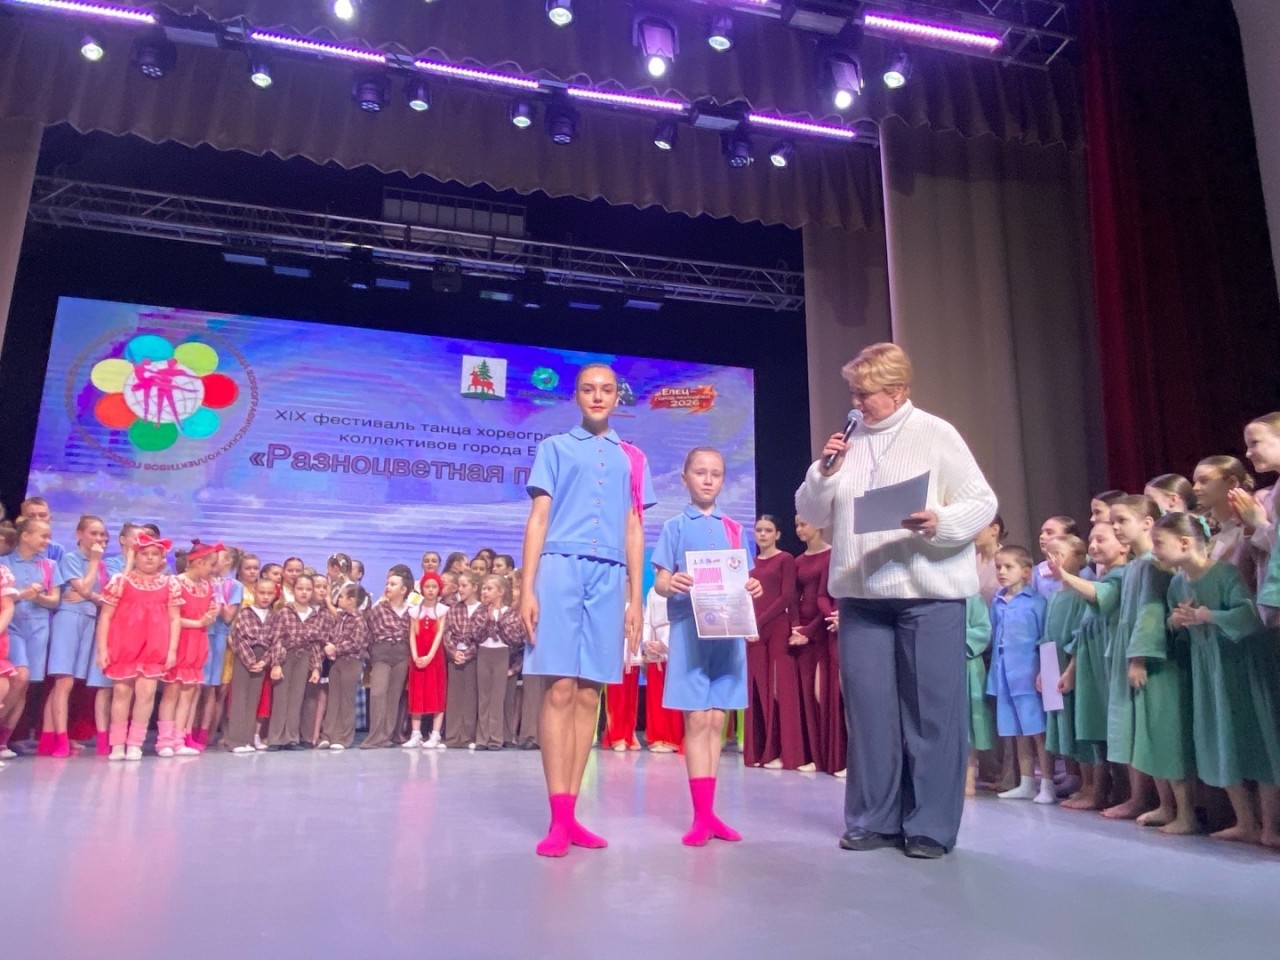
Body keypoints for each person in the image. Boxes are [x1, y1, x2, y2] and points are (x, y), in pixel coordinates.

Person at [795, 342, 997, 859]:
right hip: (862, 597)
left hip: (928, 595)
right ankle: (873, 820)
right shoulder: (848, 442)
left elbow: (982, 502)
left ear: (899, 390)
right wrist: (825, 471)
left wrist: (940, 522)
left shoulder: (936, 433)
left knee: (932, 715)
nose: (856, 403)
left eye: (865, 394)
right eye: (853, 393)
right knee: (870, 715)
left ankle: (930, 825)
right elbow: (811, 512)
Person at [520, 362, 654, 857]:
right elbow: (538, 519)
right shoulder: (554, 448)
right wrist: (526, 589)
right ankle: (557, 819)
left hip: (610, 575)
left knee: (589, 693)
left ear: (618, 397)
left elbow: (634, 527)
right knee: (559, 687)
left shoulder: (632, 457)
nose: (597, 396)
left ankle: (573, 815)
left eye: (606, 390)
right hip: (559, 569)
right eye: (588, 389)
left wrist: (635, 596)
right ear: (576, 396)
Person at [653, 447, 762, 845]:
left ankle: (712, 813)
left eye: (715, 473)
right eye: (700, 472)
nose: (708, 479)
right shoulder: (674, 527)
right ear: (685, 478)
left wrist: (753, 586)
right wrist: (672, 583)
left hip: (727, 632)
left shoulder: (734, 529)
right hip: (691, 631)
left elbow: (744, 579)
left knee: (717, 720)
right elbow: (661, 582)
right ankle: (700, 816)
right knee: (697, 720)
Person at [1154, 511, 1280, 847]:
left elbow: (1249, 615)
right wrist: (1176, 622)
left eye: (1159, 543)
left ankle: (1270, 826)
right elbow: (1175, 623)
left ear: (1184, 543)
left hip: (1240, 669)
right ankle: (1245, 821)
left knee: (1258, 741)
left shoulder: (1224, 573)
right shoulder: (1178, 583)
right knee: (1221, 741)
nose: (1155, 551)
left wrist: (1208, 615)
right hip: (1208, 671)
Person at [1104, 494, 1194, 833]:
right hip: (1140, 658)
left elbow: (1151, 613)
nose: (1115, 527)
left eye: (1122, 520)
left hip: (1159, 662)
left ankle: (1185, 812)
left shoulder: (1154, 564)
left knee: (1166, 734)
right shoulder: (1135, 565)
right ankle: (1166, 804)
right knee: (1150, 734)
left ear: (1146, 523)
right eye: (1112, 521)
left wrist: (1139, 658)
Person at [1056, 522, 1127, 811]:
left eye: (1101, 539)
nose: (1094, 545)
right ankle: (1097, 788)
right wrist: (1071, 668)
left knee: (1110, 728)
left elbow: (1102, 596)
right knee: (1093, 727)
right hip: (1089, 657)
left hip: (1106, 658)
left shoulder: (1121, 576)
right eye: (1091, 539)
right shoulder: (1103, 576)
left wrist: (1065, 575)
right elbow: (1084, 626)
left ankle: (1116, 791)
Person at [96, 532, 182, 760]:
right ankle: (117, 744)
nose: (150, 558)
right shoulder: (121, 581)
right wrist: (102, 649)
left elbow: (174, 619)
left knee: (146, 693)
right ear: (135, 556)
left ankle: (135, 743)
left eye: (155, 554)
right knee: (121, 692)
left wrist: (172, 650)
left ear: (162, 559)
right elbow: (106, 616)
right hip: (124, 645)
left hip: (154, 647)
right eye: (145, 554)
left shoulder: (170, 584)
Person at [986, 546, 1053, 804]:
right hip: (1004, 673)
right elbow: (996, 635)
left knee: (1038, 730)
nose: (1002, 572)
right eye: (998, 567)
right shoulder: (997, 601)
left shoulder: (1037, 602)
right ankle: (1026, 783)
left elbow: (1045, 638)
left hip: (1029, 672)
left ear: (1026, 571)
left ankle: (1047, 783)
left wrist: (1043, 671)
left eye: (1008, 567)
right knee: (1018, 731)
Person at [43, 515, 108, 758]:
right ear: (79, 534)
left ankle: (50, 737)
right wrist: (92, 569)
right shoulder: (71, 558)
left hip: (88, 619)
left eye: (102, 534)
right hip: (68, 618)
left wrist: (90, 595)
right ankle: (59, 739)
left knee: (70, 683)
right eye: (93, 533)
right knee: (64, 681)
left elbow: (101, 595)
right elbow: (83, 588)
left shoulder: (101, 565)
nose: (99, 538)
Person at [0, 517, 60, 758]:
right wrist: (21, 594)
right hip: (12, 627)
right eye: (43, 536)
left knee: (24, 685)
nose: (47, 541)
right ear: (25, 536)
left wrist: (38, 597)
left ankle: (4, 739)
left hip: (38, 628)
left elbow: (54, 600)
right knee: (19, 676)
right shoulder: (5, 563)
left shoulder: (49, 565)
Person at [156, 541, 220, 758]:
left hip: (198, 643)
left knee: (188, 693)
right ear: (199, 563)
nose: (213, 570)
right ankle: (164, 741)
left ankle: (179, 739)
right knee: (172, 691)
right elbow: (168, 617)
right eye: (211, 565)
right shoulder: (175, 583)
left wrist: (210, 616)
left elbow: (207, 613)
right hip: (180, 641)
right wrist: (198, 622)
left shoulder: (206, 586)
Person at [746, 514, 800, 770]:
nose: (763, 534)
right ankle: (760, 751)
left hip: (777, 628)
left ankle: (782, 752)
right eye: (759, 530)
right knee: (759, 689)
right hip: (753, 632)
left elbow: (786, 597)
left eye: (768, 530)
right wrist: (748, 624)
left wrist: (759, 622)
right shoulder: (750, 563)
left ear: (777, 534)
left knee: (779, 690)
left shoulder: (785, 559)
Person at [1040, 535, 1092, 800]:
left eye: (1059, 554)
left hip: (1070, 664)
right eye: (1048, 555)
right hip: (1052, 662)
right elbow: (1048, 634)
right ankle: (1074, 776)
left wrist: (1071, 666)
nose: (1052, 560)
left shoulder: (1082, 593)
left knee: (1077, 720)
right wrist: (1042, 669)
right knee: (1061, 722)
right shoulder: (1053, 595)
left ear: (1080, 558)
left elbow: (1080, 633)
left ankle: (1090, 783)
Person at [793, 515, 841, 775]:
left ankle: (837, 757)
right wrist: (796, 628)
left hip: (824, 630)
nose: (800, 529)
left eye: (804, 524)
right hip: (804, 634)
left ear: (819, 525)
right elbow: (794, 598)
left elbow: (826, 596)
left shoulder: (832, 555)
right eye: (797, 525)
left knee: (827, 694)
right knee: (809, 697)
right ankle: (818, 757)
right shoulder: (798, 561)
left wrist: (811, 629)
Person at [360, 570, 419, 749]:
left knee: (394, 696)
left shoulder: (411, 611)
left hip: (402, 653)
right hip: (382, 653)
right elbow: (367, 633)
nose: (388, 587)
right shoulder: (378, 610)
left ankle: (387, 735)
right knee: (378, 693)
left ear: (404, 589)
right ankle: (374, 737)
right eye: (387, 584)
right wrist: (369, 655)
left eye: (393, 584)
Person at [266, 573, 323, 751]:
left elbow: (315, 644)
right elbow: (276, 639)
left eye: (308, 589)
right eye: (300, 588)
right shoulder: (284, 612)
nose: (304, 592)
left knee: (297, 698)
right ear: (293, 590)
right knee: (281, 697)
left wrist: (316, 668)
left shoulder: (315, 615)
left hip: (304, 657)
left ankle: (291, 738)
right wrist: (276, 663)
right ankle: (275, 738)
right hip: (286, 656)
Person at [224, 579, 276, 754]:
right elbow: (239, 638)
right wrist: (251, 661)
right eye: (262, 593)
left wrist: (264, 661)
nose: (265, 597)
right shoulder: (245, 613)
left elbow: (276, 641)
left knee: (253, 699)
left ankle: (247, 739)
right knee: (240, 698)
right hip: (245, 658)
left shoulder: (273, 616)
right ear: (255, 592)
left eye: (269, 593)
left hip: (262, 660)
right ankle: (235, 740)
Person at [318, 583, 371, 751]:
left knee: (346, 700)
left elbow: (356, 643)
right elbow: (335, 635)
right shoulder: (343, 618)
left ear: (351, 600)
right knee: (334, 699)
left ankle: (344, 737)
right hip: (337, 662)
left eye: (341, 596)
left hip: (351, 662)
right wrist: (329, 646)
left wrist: (336, 648)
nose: (338, 599)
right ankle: (328, 735)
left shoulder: (358, 620)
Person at [441, 572, 486, 749]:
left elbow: (480, 636)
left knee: (470, 696)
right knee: (454, 696)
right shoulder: (454, 608)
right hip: (455, 656)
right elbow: (447, 633)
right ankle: (452, 736)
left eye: (464, 586)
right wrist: (454, 653)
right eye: (459, 586)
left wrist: (467, 654)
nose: (460, 589)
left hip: (473, 656)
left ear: (475, 587)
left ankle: (467, 736)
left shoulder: (483, 609)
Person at [405, 572, 448, 749]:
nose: (430, 590)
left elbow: (439, 634)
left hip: (435, 658)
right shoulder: (415, 611)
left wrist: (429, 656)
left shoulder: (442, 610)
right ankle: (416, 734)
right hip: (418, 658)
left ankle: (435, 734)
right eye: (427, 587)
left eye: (434, 587)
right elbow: (412, 635)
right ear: (422, 589)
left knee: (436, 693)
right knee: (417, 693)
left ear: (439, 589)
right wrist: (416, 656)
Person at [640, 586, 682, 753]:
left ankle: (673, 738)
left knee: (672, 694)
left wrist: (664, 643)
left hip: (672, 641)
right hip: (654, 643)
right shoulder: (652, 591)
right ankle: (657, 736)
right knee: (655, 694)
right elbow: (647, 619)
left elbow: (678, 618)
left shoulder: (677, 590)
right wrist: (647, 643)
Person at [963, 595, 993, 796]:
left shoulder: (973, 598)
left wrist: (952, 638)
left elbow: (983, 631)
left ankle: (969, 775)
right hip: (940, 666)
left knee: (970, 723)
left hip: (969, 665)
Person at [1030, 516, 1078, 597]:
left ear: (1069, 537)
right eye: (1042, 532)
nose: (1042, 536)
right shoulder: (1037, 571)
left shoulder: (1083, 570)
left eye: (1049, 533)